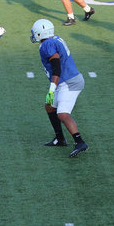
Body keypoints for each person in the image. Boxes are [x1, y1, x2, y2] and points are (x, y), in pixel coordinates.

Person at [30, 18, 89, 157]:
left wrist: (52, 89)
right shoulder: (55, 39)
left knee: (62, 113)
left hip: (69, 82)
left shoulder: (47, 45)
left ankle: (80, 142)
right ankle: (60, 139)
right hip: (67, 80)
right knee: (50, 106)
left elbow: (57, 68)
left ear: (40, 33)